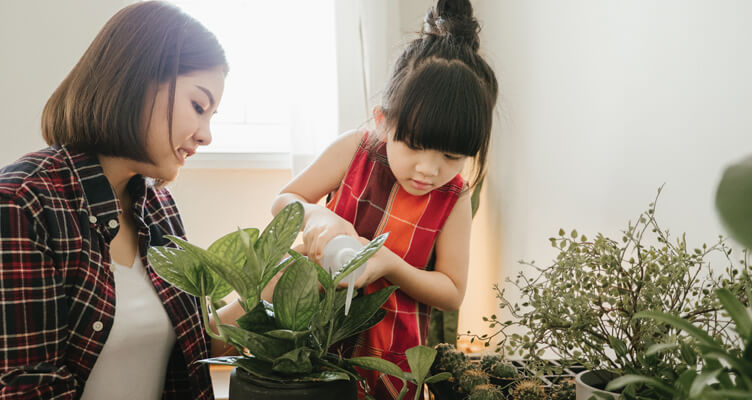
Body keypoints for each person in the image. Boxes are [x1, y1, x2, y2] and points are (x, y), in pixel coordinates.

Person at [0, 2, 244, 399]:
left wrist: (279, 283)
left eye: (212, 115)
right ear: (136, 81)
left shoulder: (158, 208)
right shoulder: (22, 202)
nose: (206, 135)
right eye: (198, 106)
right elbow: (30, 388)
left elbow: (193, 346)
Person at [271, 0, 498, 398]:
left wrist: (390, 264)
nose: (429, 170)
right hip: (316, 341)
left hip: (392, 358)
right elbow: (283, 201)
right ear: (383, 121)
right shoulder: (354, 152)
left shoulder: (453, 198)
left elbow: (451, 289)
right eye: (414, 146)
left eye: (451, 156)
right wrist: (316, 217)